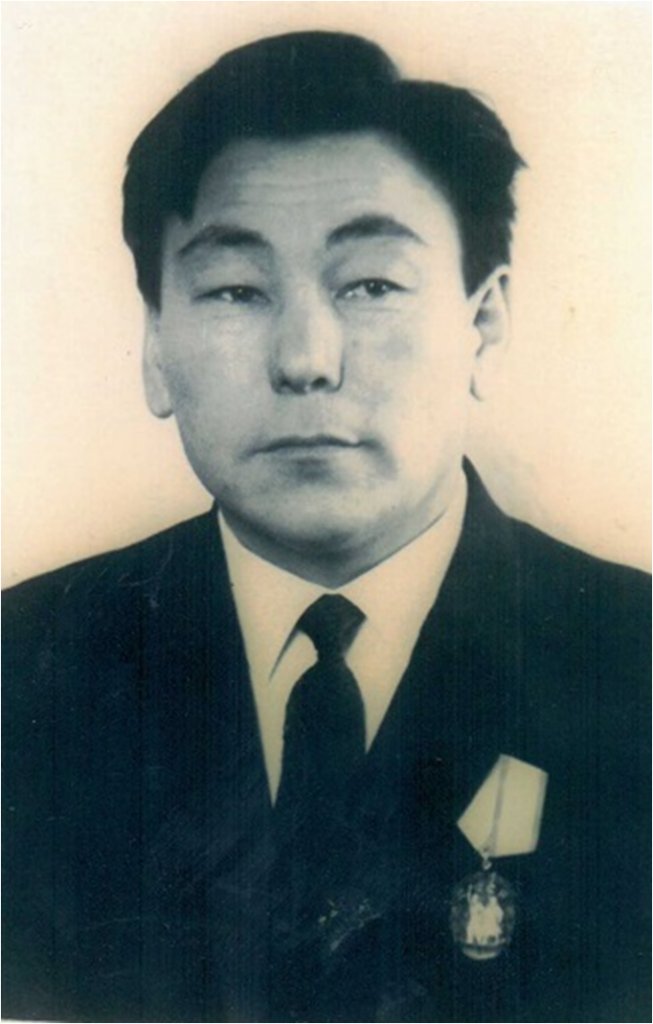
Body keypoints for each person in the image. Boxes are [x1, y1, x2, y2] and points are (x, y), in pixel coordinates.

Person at [0, 30, 650, 1024]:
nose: (305, 359)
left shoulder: (631, 665)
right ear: (155, 346)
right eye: (235, 290)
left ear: (482, 325)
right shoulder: (23, 676)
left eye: (370, 285)